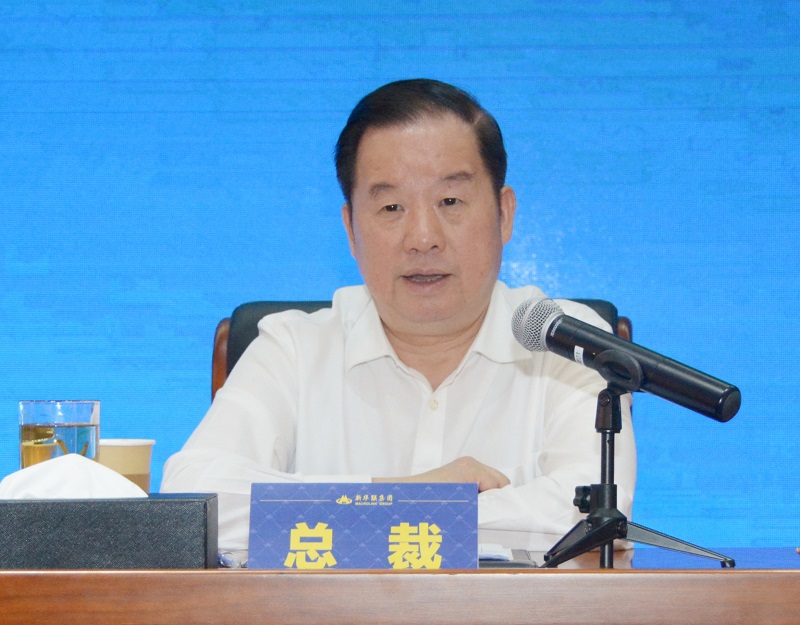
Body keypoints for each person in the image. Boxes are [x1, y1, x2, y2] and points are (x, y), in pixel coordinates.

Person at [161, 78, 636, 552]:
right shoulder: (293, 349)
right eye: (391, 207)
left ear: (503, 213)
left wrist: (366, 514)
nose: (423, 238)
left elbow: (592, 519)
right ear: (351, 230)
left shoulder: (569, 344)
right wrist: (409, 494)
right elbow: (193, 503)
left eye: (450, 201)